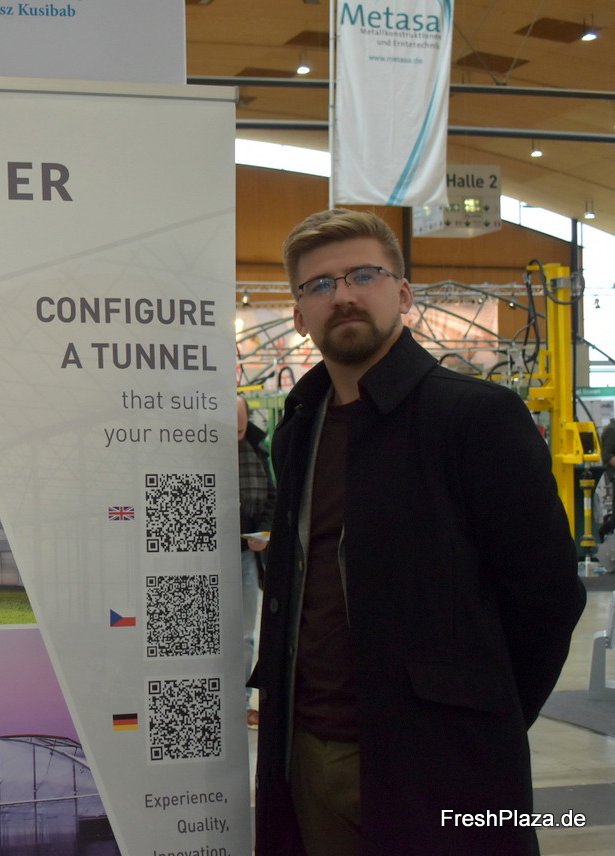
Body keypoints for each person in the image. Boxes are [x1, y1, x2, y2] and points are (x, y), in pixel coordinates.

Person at [248, 209, 586, 856]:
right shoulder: (299, 427)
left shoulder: (475, 417)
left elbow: (546, 600)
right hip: (307, 754)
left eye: (363, 276)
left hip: (437, 764)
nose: (343, 295)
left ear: (402, 294)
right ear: (299, 315)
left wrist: (480, 723)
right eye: (320, 285)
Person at [237, 395, 275, 729]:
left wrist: (261, 531)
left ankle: (241, 701)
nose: (238, 426)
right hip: (209, 558)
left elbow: (272, 497)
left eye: (242, 419)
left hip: (247, 555)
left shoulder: (258, 450)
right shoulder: (203, 449)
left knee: (247, 634)